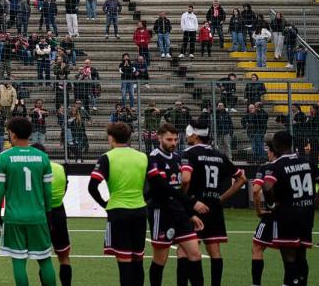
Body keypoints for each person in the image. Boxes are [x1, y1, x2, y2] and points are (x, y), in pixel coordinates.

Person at [259, 130, 319, 286]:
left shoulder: (277, 165)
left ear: (276, 146)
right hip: (306, 214)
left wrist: (272, 204)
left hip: (287, 215)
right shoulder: (307, 162)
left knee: (289, 256)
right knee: (301, 255)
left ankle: (291, 283)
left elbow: (267, 187)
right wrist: (314, 204)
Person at [0, 116, 57, 286]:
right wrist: (49, 214)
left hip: (14, 218)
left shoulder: (4, 157)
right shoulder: (43, 157)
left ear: (13, 134)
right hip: (38, 217)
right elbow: (47, 192)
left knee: (18, 261)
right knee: (45, 260)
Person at [180, 122, 247, 286]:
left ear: (195, 135)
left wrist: (183, 198)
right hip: (214, 207)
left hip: (195, 206)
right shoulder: (219, 155)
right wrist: (221, 198)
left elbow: (186, 179)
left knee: (186, 250)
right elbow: (242, 179)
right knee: (215, 250)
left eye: (189, 133)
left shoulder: (188, 153)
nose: (187, 136)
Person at [145, 124, 206, 286]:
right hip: (161, 212)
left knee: (195, 254)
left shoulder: (178, 158)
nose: (173, 143)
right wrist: (192, 204)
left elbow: (181, 189)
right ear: (159, 138)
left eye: (175, 139)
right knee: (160, 260)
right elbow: (163, 189)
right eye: (169, 139)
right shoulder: (153, 158)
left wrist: (189, 213)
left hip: (180, 213)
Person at [89, 121, 148, 286]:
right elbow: (155, 184)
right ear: (128, 137)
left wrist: (104, 204)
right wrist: (143, 199)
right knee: (138, 259)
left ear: (111, 138)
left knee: (124, 261)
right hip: (140, 210)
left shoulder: (107, 157)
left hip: (118, 211)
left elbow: (92, 186)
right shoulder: (142, 156)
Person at [34, 143, 71, 286]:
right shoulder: (60, 168)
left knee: (44, 259)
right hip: (59, 212)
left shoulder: (35, 170)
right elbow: (65, 187)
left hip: (41, 214)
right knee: (64, 257)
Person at [249, 140, 278, 286]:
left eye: (268, 151)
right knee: (292, 252)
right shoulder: (293, 165)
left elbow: (255, 191)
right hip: (292, 215)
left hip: (272, 215)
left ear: (272, 151)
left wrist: (259, 210)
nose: (267, 154)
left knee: (257, 247)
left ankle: (256, 284)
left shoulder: (266, 168)